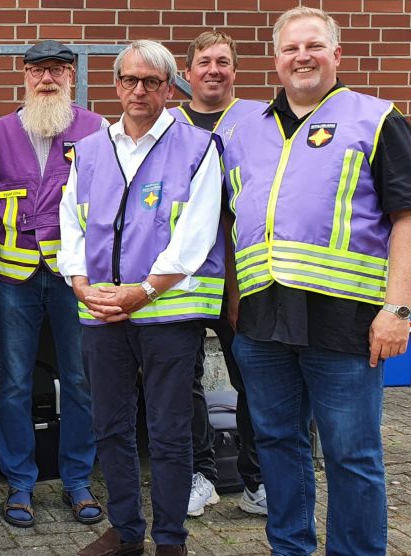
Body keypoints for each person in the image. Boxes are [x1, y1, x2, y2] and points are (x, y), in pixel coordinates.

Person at [222, 8, 411, 555]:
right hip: (264, 323)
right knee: (277, 444)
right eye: (291, 49)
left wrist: (400, 311)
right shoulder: (247, 132)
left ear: (337, 55)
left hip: (347, 321)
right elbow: (234, 222)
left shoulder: (376, 119)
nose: (302, 57)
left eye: (314, 46)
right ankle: (290, 548)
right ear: (276, 59)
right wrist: (237, 301)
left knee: (351, 454)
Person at [61, 39, 224, 556]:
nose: (138, 91)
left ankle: (171, 538)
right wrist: (81, 285)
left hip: (168, 316)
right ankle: (127, 531)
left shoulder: (197, 146)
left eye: (151, 82)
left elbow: (196, 234)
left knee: (170, 433)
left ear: (169, 87)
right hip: (101, 313)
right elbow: (72, 224)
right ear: (115, 85)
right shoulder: (88, 150)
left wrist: (145, 291)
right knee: (110, 427)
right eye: (129, 80)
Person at [0, 40, 104, 528]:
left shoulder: (96, 131)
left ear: (71, 76)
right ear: (23, 76)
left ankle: (77, 481)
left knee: (78, 381)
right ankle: (20, 484)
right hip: (14, 277)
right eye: (37, 71)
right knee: (13, 384)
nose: (46, 79)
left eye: (56, 70)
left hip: (76, 279)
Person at [167, 31, 267, 517]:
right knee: (182, 382)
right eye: (203, 61)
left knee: (254, 377)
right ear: (186, 74)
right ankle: (198, 474)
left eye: (223, 62)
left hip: (242, 273)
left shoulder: (261, 119)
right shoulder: (166, 123)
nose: (213, 70)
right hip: (180, 277)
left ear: (235, 70)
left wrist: (235, 283)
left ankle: (257, 480)